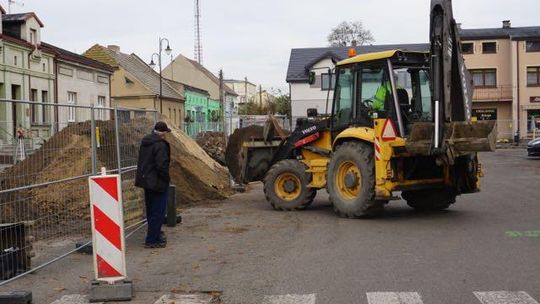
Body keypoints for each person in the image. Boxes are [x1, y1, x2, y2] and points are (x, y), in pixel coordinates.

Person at [135, 121, 171, 248]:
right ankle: (152, 240)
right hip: (157, 183)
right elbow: (161, 165)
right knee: (158, 212)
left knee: (151, 211)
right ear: (163, 133)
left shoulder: (146, 142)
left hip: (146, 181)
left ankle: (154, 234)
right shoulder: (160, 145)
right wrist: (166, 179)